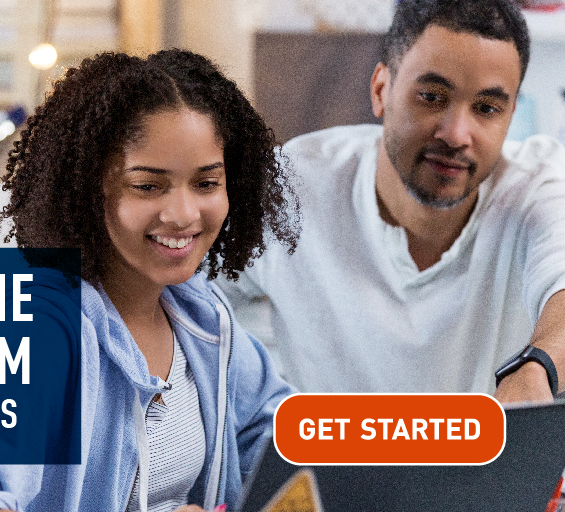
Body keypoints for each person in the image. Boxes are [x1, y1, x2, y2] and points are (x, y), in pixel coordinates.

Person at [0, 49, 300, 512]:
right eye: (148, 186)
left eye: (206, 184)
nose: (185, 214)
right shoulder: (42, 327)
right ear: (91, 189)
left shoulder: (200, 316)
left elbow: (279, 438)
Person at [220, 0, 565, 402]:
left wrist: (538, 366)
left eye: (487, 108)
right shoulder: (293, 187)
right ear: (381, 90)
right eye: (432, 97)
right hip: (324, 464)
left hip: (490, 464)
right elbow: (185, 294)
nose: (457, 135)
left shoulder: (535, 187)